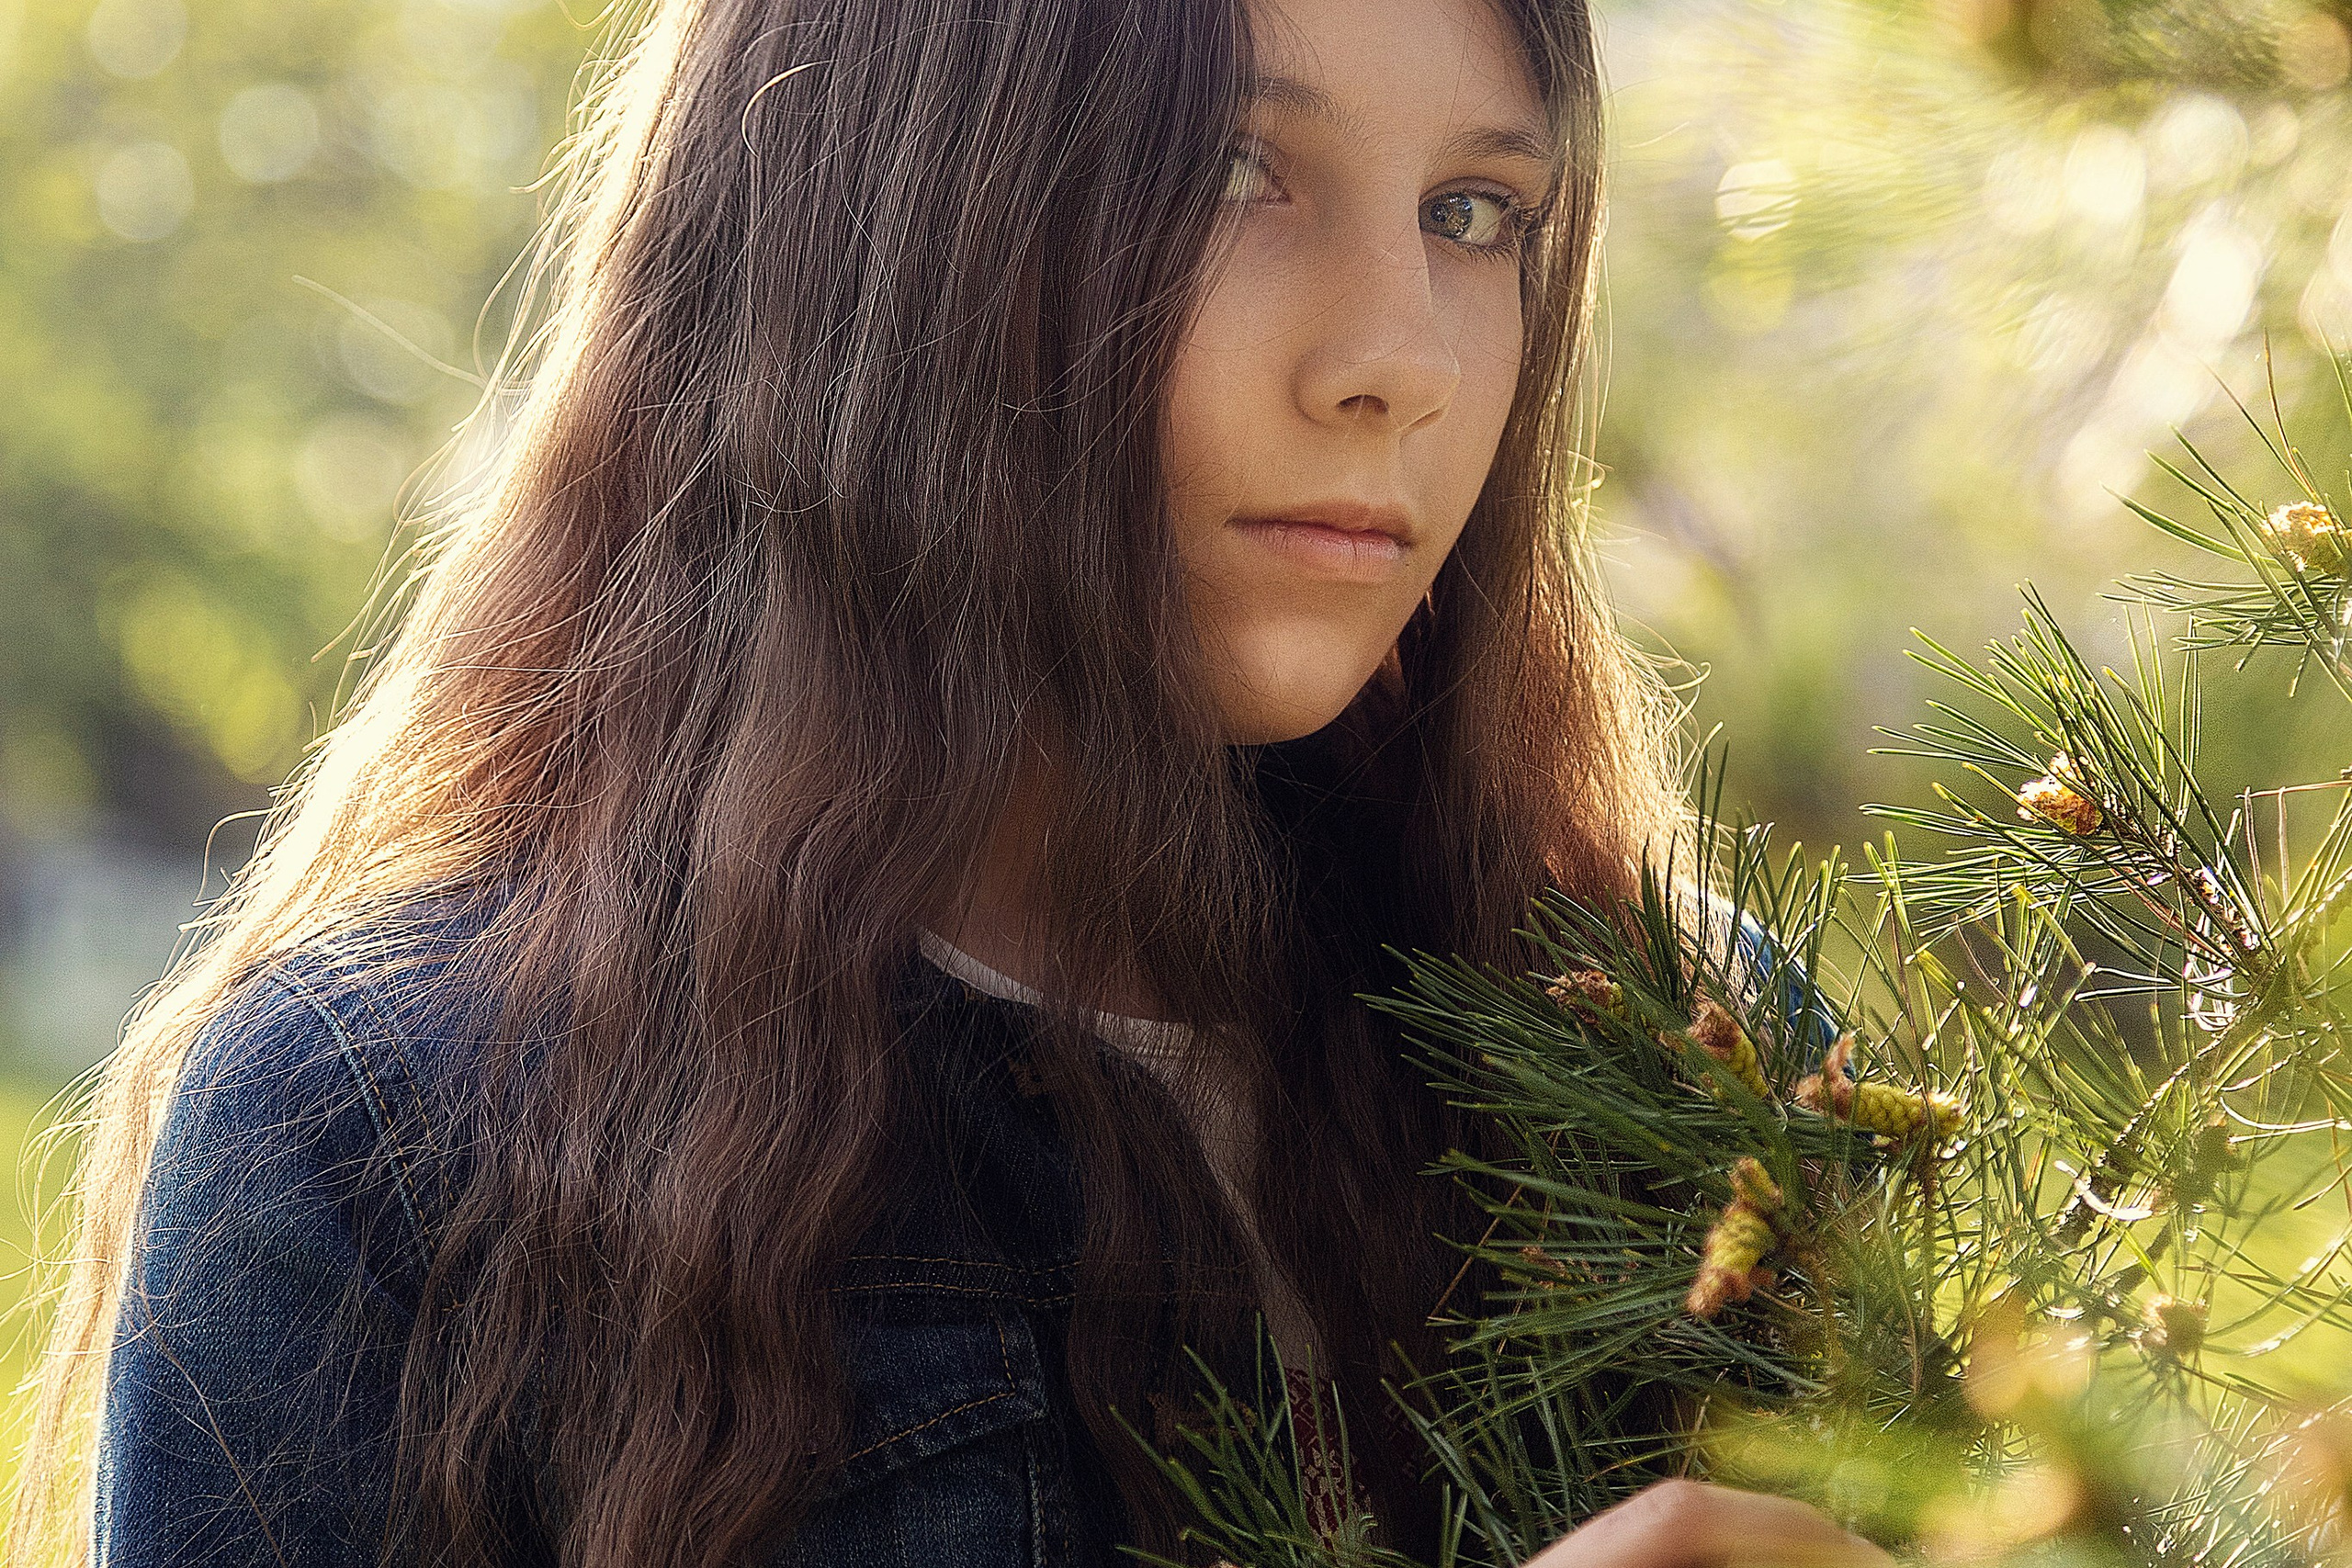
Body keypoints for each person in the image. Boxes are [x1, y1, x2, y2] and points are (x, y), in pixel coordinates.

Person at [8, 0, 1894, 1564]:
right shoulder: (381, 1143)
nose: (1398, 358)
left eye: (1474, 212)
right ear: (890, 226)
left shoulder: (1695, 1063)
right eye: (1235, 172)